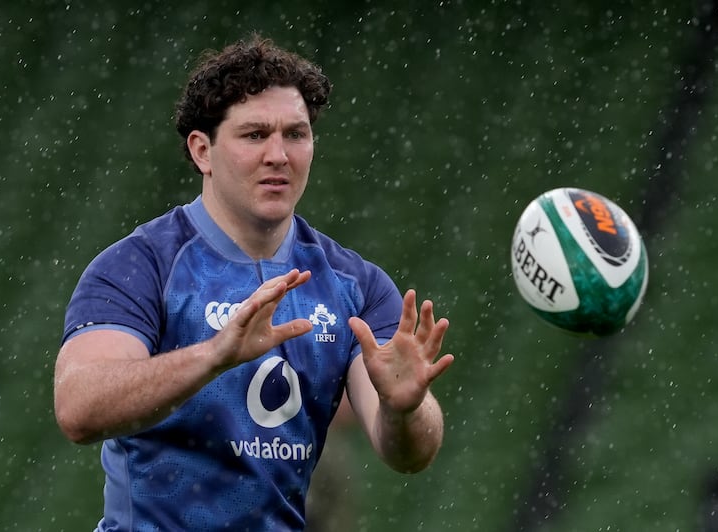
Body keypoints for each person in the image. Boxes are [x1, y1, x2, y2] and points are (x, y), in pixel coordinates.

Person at [54, 33, 454, 531]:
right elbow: (79, 407)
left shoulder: (356, 285)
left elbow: (410, 454)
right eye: (254, 135)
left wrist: (404, 409)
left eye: (296, 134)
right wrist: (215, 354)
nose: (278, 155)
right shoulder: (140, 265)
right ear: (202, 150)